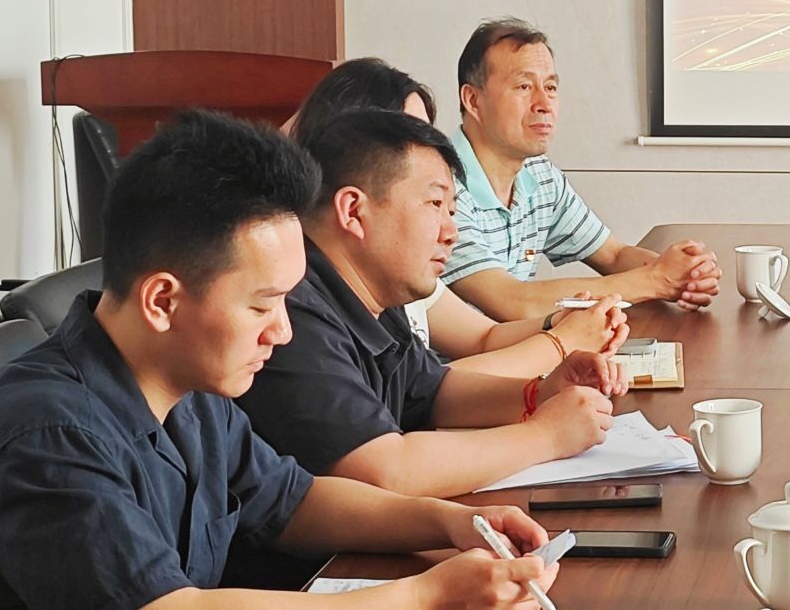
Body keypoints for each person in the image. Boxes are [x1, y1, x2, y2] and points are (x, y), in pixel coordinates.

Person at [0, 111, 559, 610]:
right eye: (263, 306)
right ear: (163, 300)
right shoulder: (50, 431)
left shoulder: (186, 385)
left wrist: (448, 523)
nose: (283, 333)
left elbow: (295, 500)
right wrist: (424, 604)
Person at [234, 109, 621, 497]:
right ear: (353, 210)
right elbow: (384, 471)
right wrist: (546, 436)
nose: (451, 233)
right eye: (435, 204)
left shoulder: (375, 295)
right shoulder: (291, 312)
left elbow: (431, 392)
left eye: (451, 211)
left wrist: (540, 393)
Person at [293, 57, 629, 376]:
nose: (450, 232)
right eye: (409, 135)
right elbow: (428, 394)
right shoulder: (306, 302)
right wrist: (561, 343)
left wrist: (560, 323)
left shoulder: (394, 267)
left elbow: (482, 338)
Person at [443, 19, 720, 320]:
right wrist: (657, 279)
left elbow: (613, 255)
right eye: (524, 86)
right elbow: (511, 301)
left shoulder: (539, 175)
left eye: (551, 87)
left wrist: (685, 273)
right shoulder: (441, 188)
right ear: (473, 100)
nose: (544, 103)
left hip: (522, 345)